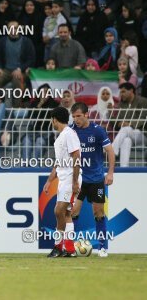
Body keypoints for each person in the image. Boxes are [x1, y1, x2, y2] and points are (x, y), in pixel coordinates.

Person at [70, 102, 115, 257]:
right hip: (79, 179)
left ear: (86, 114)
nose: (76, 119)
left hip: (96, 178)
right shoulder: (71, 131)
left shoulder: (98, 131)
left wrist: (110, 173)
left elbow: (110, 151)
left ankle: (102, 247)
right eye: (74, 116)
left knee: (98, 212)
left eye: (79, 116)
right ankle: (71, 248)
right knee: (74, 211)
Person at [43, 106, 82, 258]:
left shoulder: (69, 134)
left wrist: (74, 182)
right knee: (65, 214)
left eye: (51, 119)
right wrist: (49, 180)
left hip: (70, 178)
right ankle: (70, 250)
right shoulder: (61, 136)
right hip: (64, 178)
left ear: (54, 119)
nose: (51, 122)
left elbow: (76, 156)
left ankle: (58, 247)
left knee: (58, 211)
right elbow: (59, 163)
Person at [112, 82, 147, 166]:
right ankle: (124, 168)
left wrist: (129, 124)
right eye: (120, 92)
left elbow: (143, 119)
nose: (121, 94)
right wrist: (119, 122)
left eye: (123, 92)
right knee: (126, 141)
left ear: (131, 91)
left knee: (126, 129)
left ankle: (112, 151)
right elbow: (118, 120)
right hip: (127, 134)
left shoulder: (143, 101)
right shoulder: (121, 104)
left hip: (142, 134)